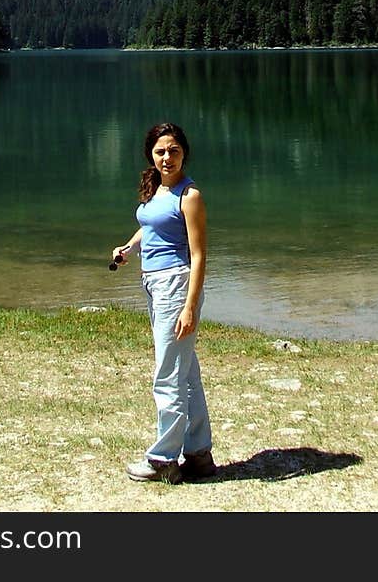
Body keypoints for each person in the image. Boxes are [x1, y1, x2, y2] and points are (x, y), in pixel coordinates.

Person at [111, 121, 216, 484]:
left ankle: (163, 459)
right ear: (151, 155)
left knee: (167, 373)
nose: (167, 157)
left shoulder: (190, 196)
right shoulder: (155, 187)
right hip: (153, 283)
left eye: (173, 150)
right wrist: (130, 247)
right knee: (185, 373)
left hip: (175, 284)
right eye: (160, 151)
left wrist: (189, 307)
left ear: (184, 151)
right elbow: (151, 226)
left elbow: (199, 255)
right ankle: (200, 455)